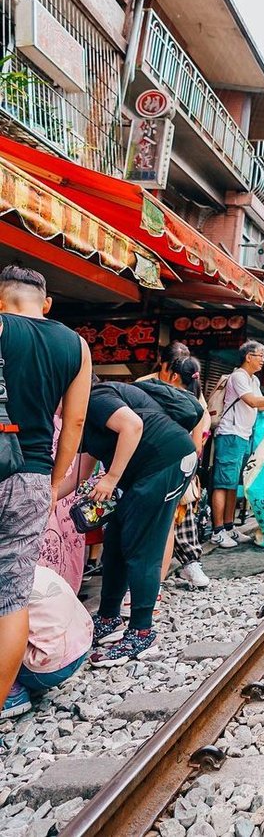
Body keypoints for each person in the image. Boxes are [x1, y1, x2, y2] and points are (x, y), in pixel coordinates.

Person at [0, 265, 91, 719]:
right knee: (12, 596)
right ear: (47, 303)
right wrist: (55, 481)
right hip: (34, 476)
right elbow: (73, 422)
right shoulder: (75, 345)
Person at [83, 378, 201, 663]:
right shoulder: (84, 413)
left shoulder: (96, 398)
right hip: (144, 470)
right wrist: (51, 496)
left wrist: (110, 479)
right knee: (116, 541)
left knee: (141, 548)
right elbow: (81, 473)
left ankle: (141, 633)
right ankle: (109, 618)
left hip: (167, 462)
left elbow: (132, 427)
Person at [140, 354, 212, 590]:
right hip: (182, 471)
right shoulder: (196, 404)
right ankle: (156, 586)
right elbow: (197, 446)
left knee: (152, 529)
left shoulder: (157, 394)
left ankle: (146, 585)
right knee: (171, 526)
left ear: (171, 375)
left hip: (151, 468)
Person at [211, 342, 264, 548]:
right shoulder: (238, 376)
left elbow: (262, 404)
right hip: (230, 434)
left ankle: (229, 527)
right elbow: (253, 402)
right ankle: (217, 530)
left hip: (243, 435)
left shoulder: (253, 379)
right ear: (248, 356)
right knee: (223, 483)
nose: (263, 360)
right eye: (260, 356)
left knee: (233, 484)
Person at [0, 565, 93, 717]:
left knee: (7, 629)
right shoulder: (21, 561)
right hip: (80, 647)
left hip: (45, 670)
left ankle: (13, 694)